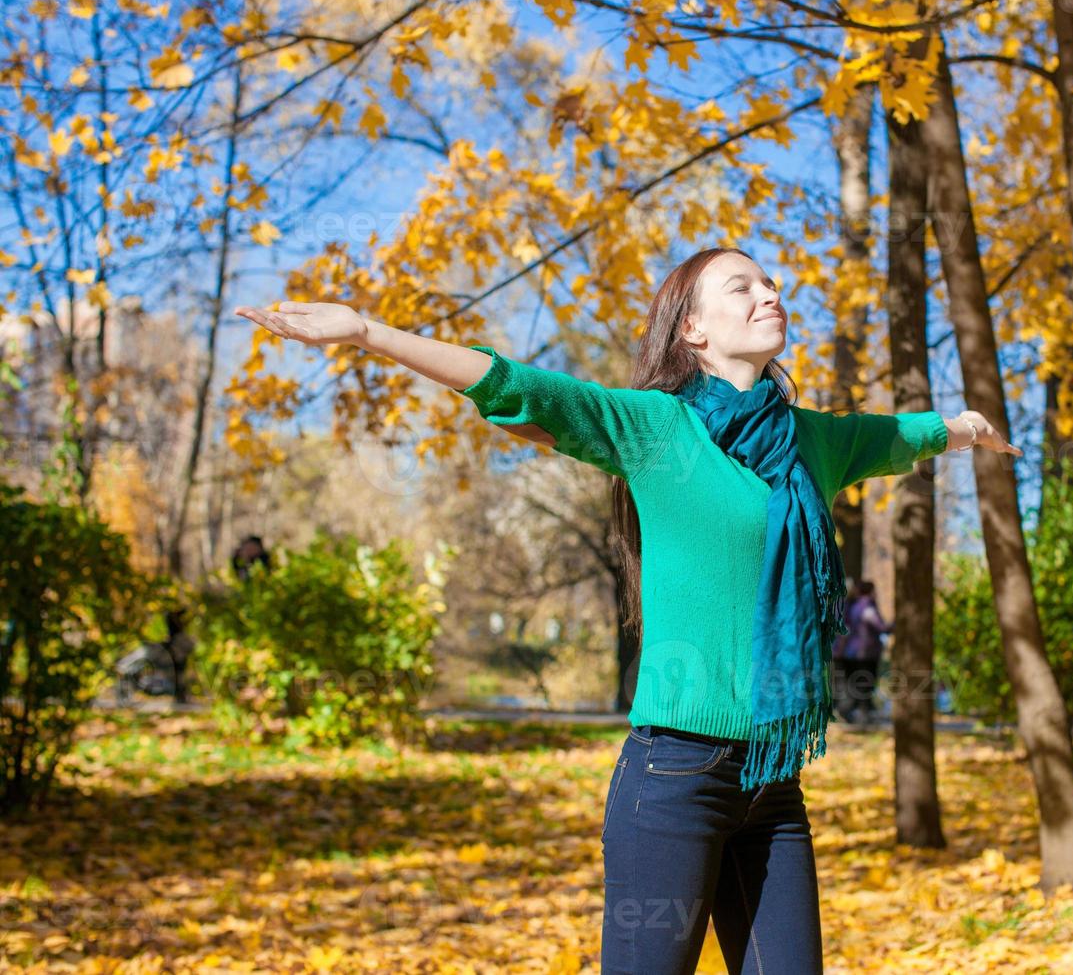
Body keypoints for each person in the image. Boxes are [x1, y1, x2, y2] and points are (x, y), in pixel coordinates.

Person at [234, 246, 1021, 974]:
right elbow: (515, 385)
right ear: (694, 331)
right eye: (741, 286)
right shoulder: (655, 428)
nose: (769, 293)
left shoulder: (809, 443)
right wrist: (369, 331)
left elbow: (887, 436)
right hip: (674, 777)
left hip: (774, 784)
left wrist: (957, 430)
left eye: (771, 282)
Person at [833, 580, 891, 726]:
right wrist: (895, 624)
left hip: (849, 654)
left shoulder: (850, 605)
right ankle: (861, 716)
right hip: (865, 655)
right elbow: (881, 626)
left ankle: (847, 711)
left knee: (852, 685)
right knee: (864, 685)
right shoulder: (866, 607)